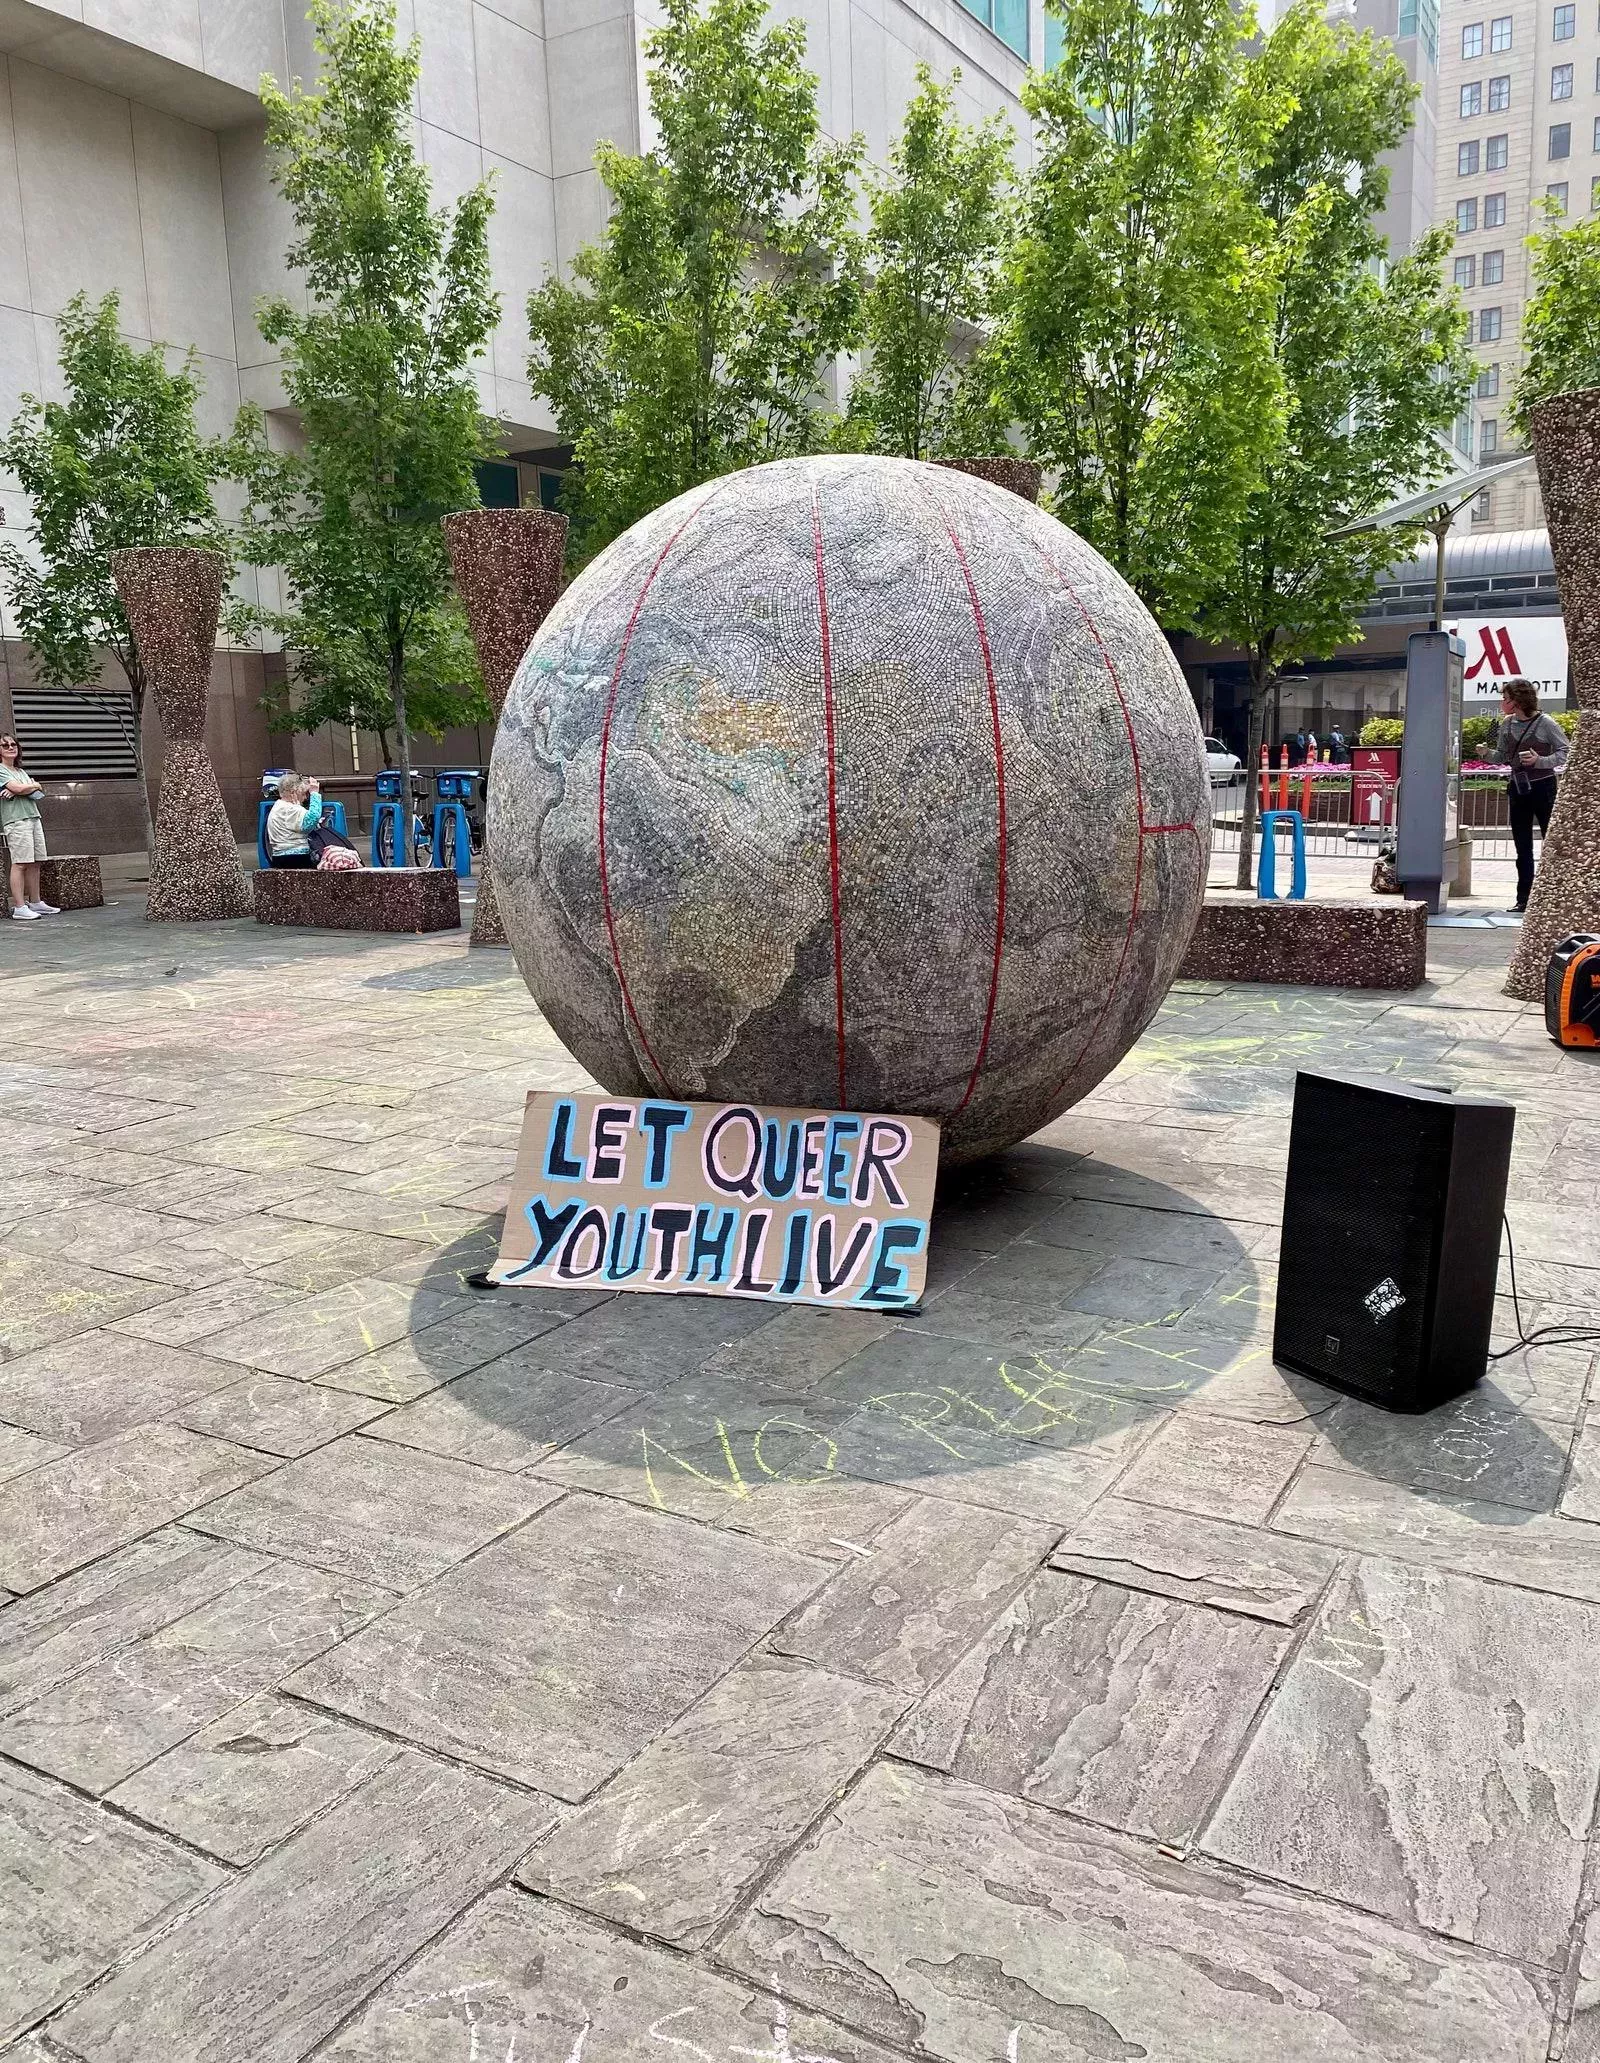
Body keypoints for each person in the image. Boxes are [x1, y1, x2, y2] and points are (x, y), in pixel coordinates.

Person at [1495, 677, 1569, 915]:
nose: (1502, 702)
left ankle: (1555, 897)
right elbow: (1502, 756)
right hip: (1518, 787)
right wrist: (1487, 754)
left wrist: (1541, 761)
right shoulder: (1506, 725)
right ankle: (1524, 899)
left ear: (1516, 701)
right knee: (1522, 847)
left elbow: (1566, 751)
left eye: (1505, 698)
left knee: (1552, 843)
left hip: (1543, 787)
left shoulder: (1545, 723)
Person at [1, 732, 57, 920]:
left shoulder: (20, 771)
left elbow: (35, 791)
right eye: (5, 745)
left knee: (36, 862)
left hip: (33, 816)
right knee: (20, 862)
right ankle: (19, 907)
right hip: (17, 820)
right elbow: (20, 789)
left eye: (13, 744)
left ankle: (36, 902)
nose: (10, 747)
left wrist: (29, 787)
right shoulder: (1, 770)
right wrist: (27, 787)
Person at [265, 772, 322, 867]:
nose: (304, 798)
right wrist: (315, 794)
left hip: (279, 855)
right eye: (303, 794)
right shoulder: (290, 809)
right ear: (294, 792)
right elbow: (311, 820)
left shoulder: (278, 807)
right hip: (295, 856)